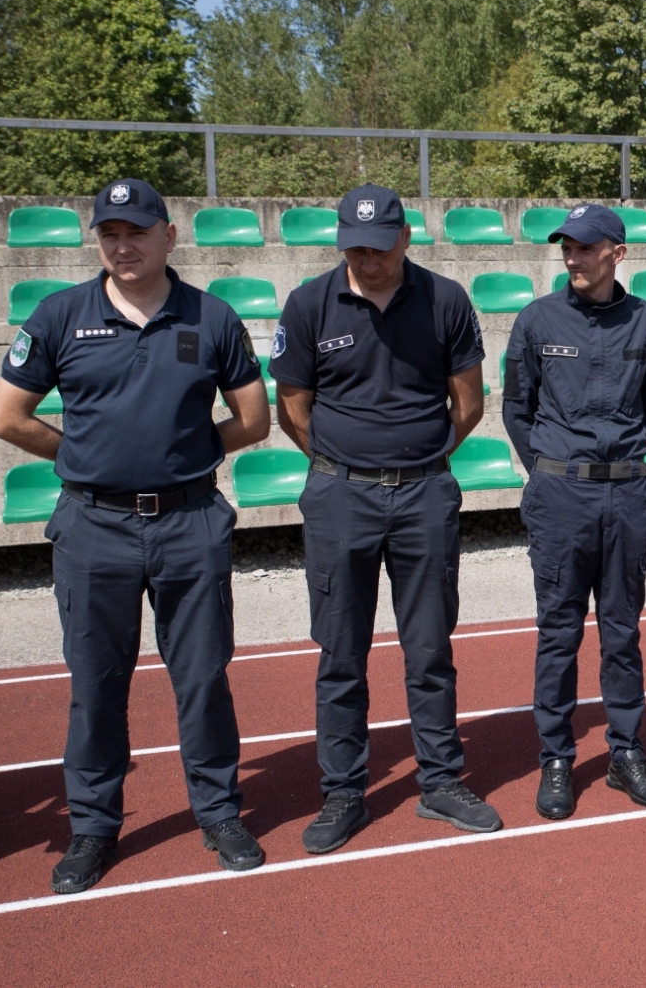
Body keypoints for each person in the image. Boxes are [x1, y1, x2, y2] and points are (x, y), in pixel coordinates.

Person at [0, 178, 271, 894]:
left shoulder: (210, 317)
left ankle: (217, 811)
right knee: (95, 685)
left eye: (137, 231)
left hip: (188, 521)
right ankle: (92, 826)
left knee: (203, 677)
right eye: (110, 233)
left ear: (168, 234)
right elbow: (7, 417)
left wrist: (187, 456)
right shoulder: (59, 315)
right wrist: (83, 459)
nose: (123, 245)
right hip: (93, 524)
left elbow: (253, 419)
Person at [269, 184, 498, 853]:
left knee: (429, 649)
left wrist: (419, 461)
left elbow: (469, 403)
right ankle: (344, 791)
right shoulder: (310, 303)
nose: (366, 259)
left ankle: (441, 781)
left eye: (377, 246)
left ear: (405, 237)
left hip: (424, 495)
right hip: (341, 498)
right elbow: (293, 409)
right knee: (341, 653)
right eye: (354, 247)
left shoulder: (446, 300)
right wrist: (345, 467)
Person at [502, 205, 646, 820]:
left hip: (626, 494)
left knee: (622, 631)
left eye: (585, 247)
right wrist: (552, 470)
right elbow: (516, 410)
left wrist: (615, 465)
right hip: (560, 496)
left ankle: (626, 751)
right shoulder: (536, 319)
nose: (572, 257)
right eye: (566, 247)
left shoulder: (645, 322)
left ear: (616, 253)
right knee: (559, 632)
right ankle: (555, 759)